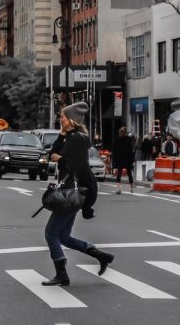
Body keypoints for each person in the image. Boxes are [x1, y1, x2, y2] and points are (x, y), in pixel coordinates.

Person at [42, 102, 114, 287]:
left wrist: (62, 159)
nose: (61, 119)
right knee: (63, 236)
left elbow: (78, 166)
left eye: (63, 117)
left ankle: (62, 274)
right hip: (71, 192)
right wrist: (60, 136)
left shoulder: (78, 139)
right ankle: (100, 255)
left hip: (71, 193)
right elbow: (53, 154)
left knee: (51, 234)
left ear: (72, 120)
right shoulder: (71, 137)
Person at [113, 127, 136, 194]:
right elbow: (131, 151)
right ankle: (132, 188)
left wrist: (114, 159)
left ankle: (118, 188)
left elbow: (115, 150)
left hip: (120, 159)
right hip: (128, 158)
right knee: (129, 173)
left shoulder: (117, 140)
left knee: (119, 173)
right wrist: (133, 160)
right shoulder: (129, 139)